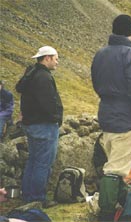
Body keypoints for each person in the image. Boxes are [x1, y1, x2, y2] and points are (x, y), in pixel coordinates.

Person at [91, 14, 131, 221]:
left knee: (116, 164)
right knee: (115, 169)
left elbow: (97, 84)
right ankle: (106, 214)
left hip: (107, 115)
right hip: (127, 119)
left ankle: (124, 204)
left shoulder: (100, 54)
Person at [15, 46, 63, 208]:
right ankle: (37, 198)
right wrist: (56, 118)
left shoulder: (31, 74)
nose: (57, 62)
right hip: (44, 126)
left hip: (31, 124)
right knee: (43, 163)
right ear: (47, 58)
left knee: (33, 160)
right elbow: (48, 104)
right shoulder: (43, 77)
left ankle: (27, 195)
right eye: (55, 58)